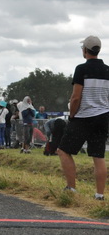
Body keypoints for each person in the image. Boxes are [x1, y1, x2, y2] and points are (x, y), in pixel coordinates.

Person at [58, 35, 109, 201]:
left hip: (84, 116)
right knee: (98, 156)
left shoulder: (81, 69)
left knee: (64, 150)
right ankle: (99, 195)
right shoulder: (107, 70)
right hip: (103, 116)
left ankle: (71, 188)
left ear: (85, 51)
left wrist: (72, 114)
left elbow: (75, 97)